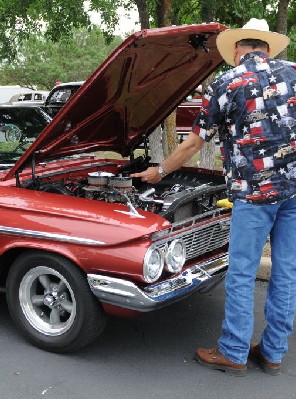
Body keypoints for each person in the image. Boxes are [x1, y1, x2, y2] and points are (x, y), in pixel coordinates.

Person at [132, 18, 295, 376]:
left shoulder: (225, 83)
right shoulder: (294, 73)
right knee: (287, 271)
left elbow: (193, 143)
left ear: (237, 49)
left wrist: (159, 172)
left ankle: (235, 352)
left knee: (241, 273)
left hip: (254, 195)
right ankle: (272, 352)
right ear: (267, 47)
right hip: (293, 192)